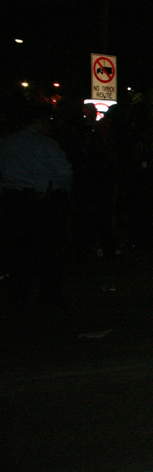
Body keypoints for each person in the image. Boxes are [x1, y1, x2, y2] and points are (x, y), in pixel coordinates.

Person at [0, 108, 73, 317]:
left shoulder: (6, 143)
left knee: (18, 250)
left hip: (14, 201)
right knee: (47, 250)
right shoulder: (46, 144)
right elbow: (65, 173)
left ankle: (18, 294)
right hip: (41, 202)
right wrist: (62, 194)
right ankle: (48, 295)